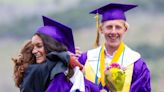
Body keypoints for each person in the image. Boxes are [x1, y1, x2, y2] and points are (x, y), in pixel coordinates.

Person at [13, 16, 99, 92]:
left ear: (50, 46)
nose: (34, 51)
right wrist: (66, 57)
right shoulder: (37, 71)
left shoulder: (68, 72)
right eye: (33, 47)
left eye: (39, 46)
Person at [78, 3, 151, 92]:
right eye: (109, 27)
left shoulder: (136, 64)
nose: (113, 31)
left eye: (118, 27)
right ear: (101, 29)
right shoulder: (85, 59)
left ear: (125, 29)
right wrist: (70, 64)